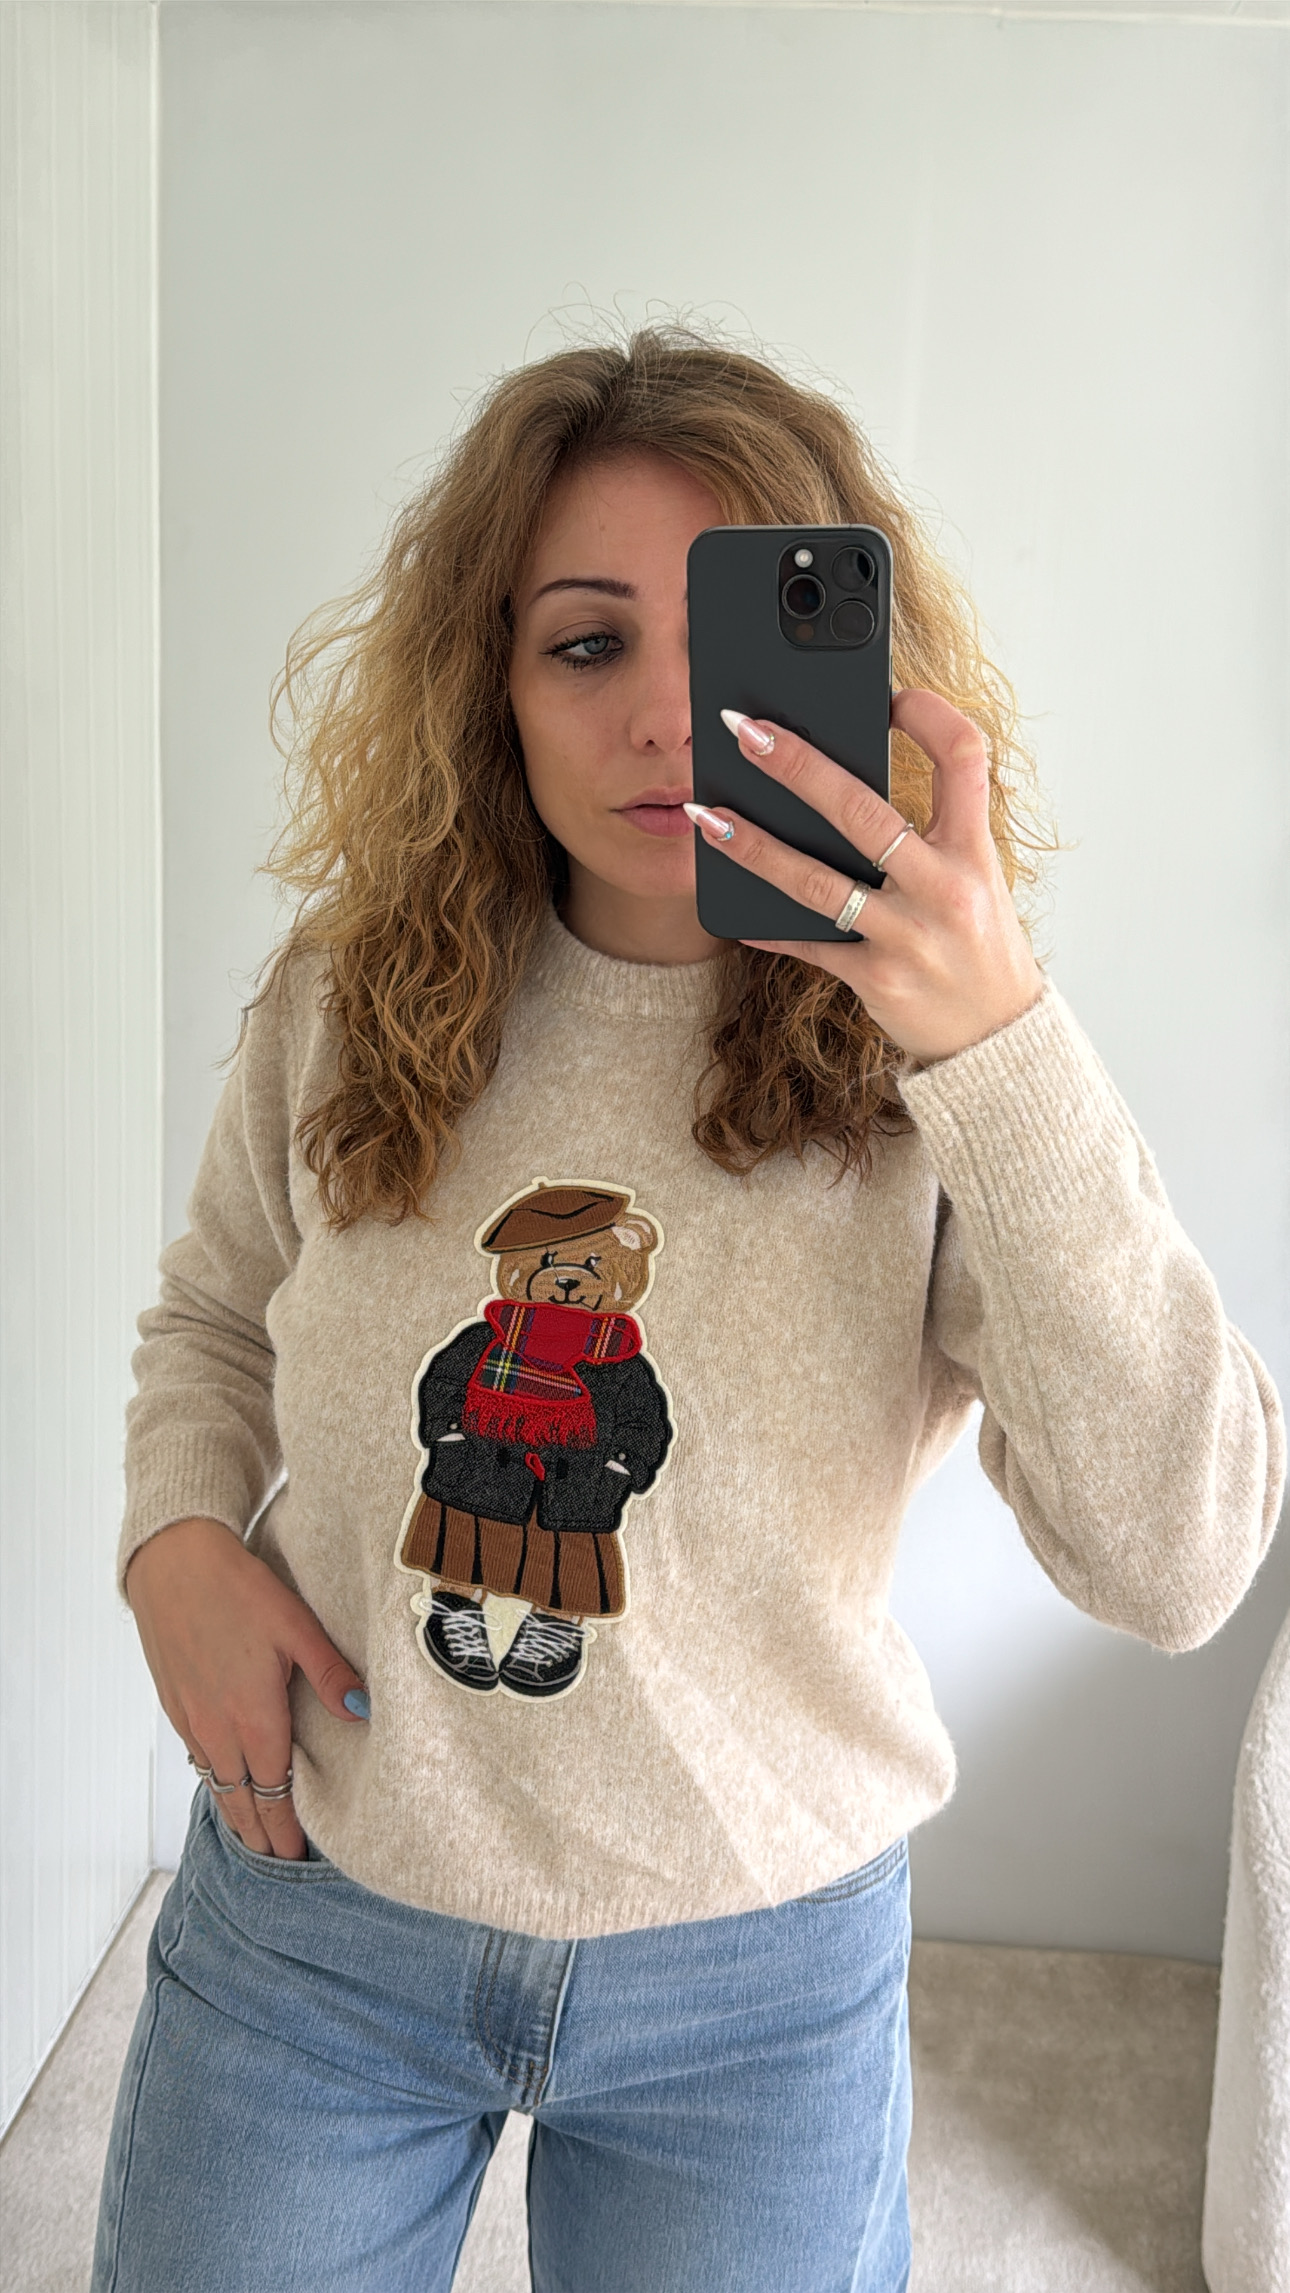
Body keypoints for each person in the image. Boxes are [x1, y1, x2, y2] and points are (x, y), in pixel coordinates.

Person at [93, 327, 1285, 2293]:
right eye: (585, 642)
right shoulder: (348, 993)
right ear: (490, 679)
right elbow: (219, 1311)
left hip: (756, 1971)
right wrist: (174, 1539)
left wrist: (999, 1043)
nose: (663, 716)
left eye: (728, 642)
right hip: (322, 1904)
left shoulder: (944, 1061)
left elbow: (1176, 1559)